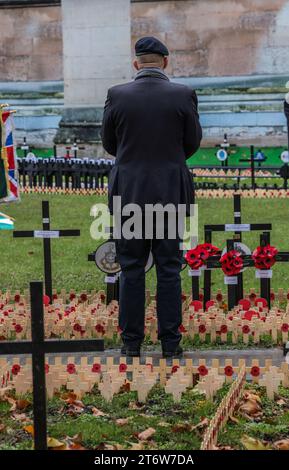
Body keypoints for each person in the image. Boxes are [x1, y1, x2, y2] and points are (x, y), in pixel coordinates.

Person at [101, 36, 202, 358]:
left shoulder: (117, 95)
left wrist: (134, 161)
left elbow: (109, 144)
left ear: (136, 64)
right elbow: (192, 142)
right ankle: (170, 344)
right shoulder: (183, 94)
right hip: (168, 191)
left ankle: (131, 343)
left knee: (131, 268)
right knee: (169, 268)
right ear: (165, 62)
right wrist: (168, 160)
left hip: (130, 191)